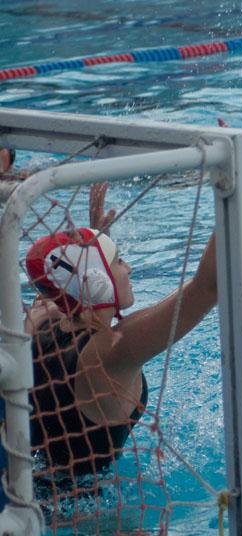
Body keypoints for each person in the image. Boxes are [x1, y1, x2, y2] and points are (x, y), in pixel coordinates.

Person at [25, 185, 217, 480]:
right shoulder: (111, 353)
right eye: (119, 260)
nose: (129, 267)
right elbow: (208, 287)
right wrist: (235, 191)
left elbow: (68, 282)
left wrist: (98, 244)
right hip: (87, 517)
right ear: (96, 280)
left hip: (27, 488)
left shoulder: (40, 320)